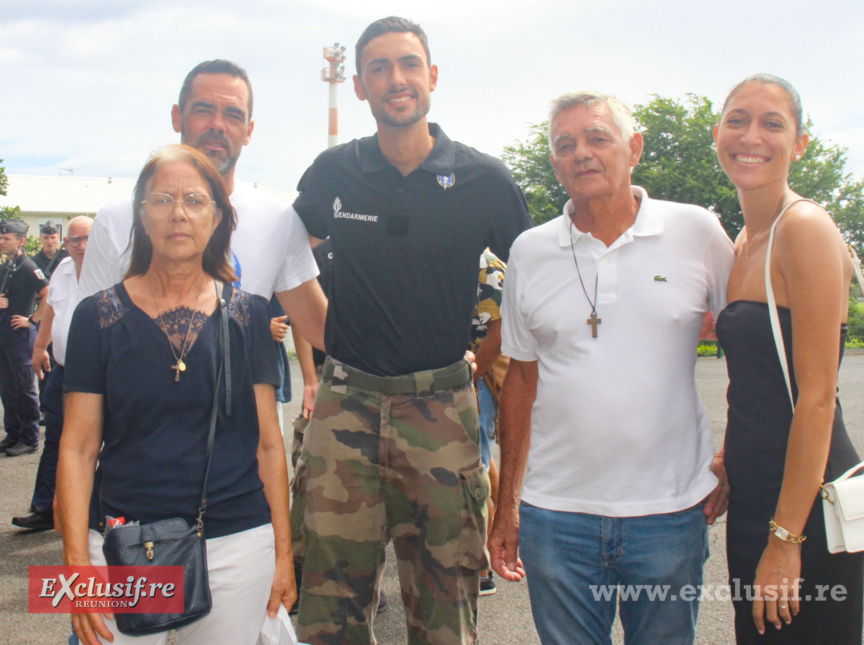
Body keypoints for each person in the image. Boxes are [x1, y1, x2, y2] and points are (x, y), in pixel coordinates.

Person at [291, 16, 532, 645]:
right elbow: (288, 260)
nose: (395, 79)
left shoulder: (485, 179)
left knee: (445, 601)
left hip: (442, 408)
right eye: (378, 68)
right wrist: (323, 342)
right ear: (360, 86)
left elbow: (537, 281)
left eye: (407, 64)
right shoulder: (331, 174)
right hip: (346, 406)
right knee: (328, 603)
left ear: (431, 76)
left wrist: (488, 352)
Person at [489, 91, 735, 645]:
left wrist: (730, 455)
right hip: (555, 516)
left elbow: (747, 353)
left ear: (634, 148)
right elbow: (520, 380)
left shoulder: (696, 232)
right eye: (565, 145)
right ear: (554, 163)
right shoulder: (529, 251)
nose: (581, 154)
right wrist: (507, 507)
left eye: (598, 138)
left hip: (670, 511)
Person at [57, 145, 295, 645]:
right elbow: (77, 448)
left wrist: (284, 555)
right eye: (162, 199)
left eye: (194, 199)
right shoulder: (97, 317)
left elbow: (269, 444)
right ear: (142, 216)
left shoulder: (249, 315)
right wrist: (77, 563)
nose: (178, 213)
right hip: (125, 544)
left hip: (236, 541)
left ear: (217, 218)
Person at [713, 74, 863, 643]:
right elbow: (758, 379)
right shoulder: (744, 241)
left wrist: (785, 542)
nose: (752, 136)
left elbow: (818, 398)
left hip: (807, 504)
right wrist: (732, 457)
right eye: (738, 120)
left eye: (772, 124)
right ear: (718, 132)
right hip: (757, 489)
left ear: (799, 143)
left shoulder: (804, 228)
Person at [78, 59, 325, 352]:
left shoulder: (279, 221)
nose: (217, 125)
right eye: (203, 110)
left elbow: (322, 330)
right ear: (177, 117)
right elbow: (84, 343)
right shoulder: (115, 220)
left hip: (246, 395)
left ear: (249, 130)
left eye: (233, 115)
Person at [12, 216, 92, 531]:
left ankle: (96, 511)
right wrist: (38, 347)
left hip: (97, 375)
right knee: (56, 439)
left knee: (100, 444)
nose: (81, 246)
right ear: (65, 243)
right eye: (74, 240)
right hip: (62, 369)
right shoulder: (62, 269)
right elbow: (52, 310)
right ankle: (45, 508)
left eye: (87, 238)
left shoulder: (112, 270)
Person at [471, 248, 509, 597]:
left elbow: (497, 335)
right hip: (471, 376)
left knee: (474, 469)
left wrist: (472, 375)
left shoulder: (484, 264)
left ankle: (482, 566)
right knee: (481, 462)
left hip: (476, 378)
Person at [0, 219, 49, 457]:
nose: (1, 241)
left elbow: (48, 293)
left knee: (24, 388)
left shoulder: (29, 267)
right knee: (7, 387)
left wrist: (33, 319)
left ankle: (29, 437)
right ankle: (14, 434)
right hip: (4, 334)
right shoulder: (5, 267)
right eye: (1, 237)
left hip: (20, 335)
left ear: (20, 241)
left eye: (6, 238)